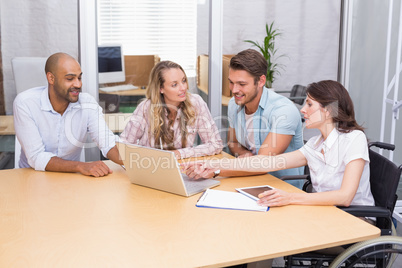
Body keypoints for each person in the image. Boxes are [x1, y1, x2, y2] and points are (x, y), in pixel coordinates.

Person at [184, 80, 375, 211]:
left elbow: (345, 197)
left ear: (328, 111)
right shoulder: (316, 144)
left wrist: (290, 198)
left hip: (353, 219)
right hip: (323, 211)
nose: (302, 110)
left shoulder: (353, 139)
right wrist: (215, 167)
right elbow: (266, 163)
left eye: (309, 105)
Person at [13, 52, 123, 177]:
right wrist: (80, 166)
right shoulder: (25, 103)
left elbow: (108, 143)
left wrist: (138, 162)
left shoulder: (87, 103)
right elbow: (37, 157)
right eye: (70, 79)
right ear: (51, 78)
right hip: (31, 178)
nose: (78, 84)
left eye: (79, 78)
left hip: (70, 179)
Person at [226, 49, 304, 186]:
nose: (234, 90)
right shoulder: (234, 104)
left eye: (242, 84)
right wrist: (244, 153)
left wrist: (215, 169)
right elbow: (232, 142)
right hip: (250, 180)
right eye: (231, 82)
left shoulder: (284, 110)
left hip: (282, 188)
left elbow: (262, 162)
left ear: (261, 81)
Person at [120, 60, 223, 159]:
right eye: (174, 85)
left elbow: (215, 144)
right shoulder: (145, 108)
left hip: (184, 168)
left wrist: (179, 153)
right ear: (161, 88)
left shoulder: (196, 103)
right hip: (151, 169)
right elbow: (124, 145)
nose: (183, 88)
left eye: (183, 81)